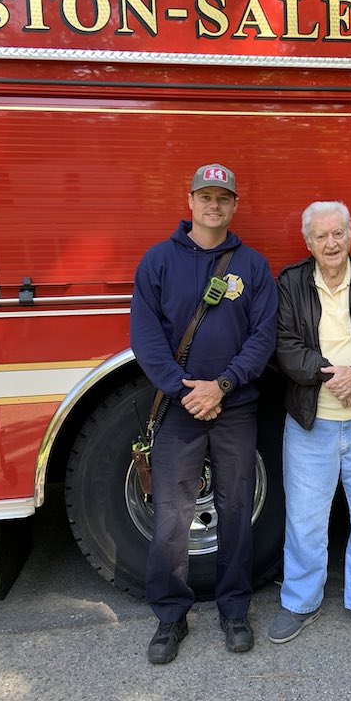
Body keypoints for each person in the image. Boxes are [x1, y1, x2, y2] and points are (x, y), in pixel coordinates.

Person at [131, 163, 278, 664]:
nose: (214, 205)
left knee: (236, 510)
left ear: (234, 206)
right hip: (178, 410)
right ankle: (171, 617)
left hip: (235, 407)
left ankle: (233, 609)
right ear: (189, 200)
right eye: (206, 196)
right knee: (172, 516)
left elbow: (264, 336)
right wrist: (183, 389)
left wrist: (223, 384)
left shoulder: (253, 266)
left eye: (224, 198)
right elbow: (146, 338)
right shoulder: (158, 262)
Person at [270, 201, 351, 649]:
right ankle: (299, 601)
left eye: (339, 234)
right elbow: (283, 346)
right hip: (312, 423)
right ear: (308, 242)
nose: (331, 243)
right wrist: (333, 374)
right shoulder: (290, 283)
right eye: (321, 236)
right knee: (306, 520)